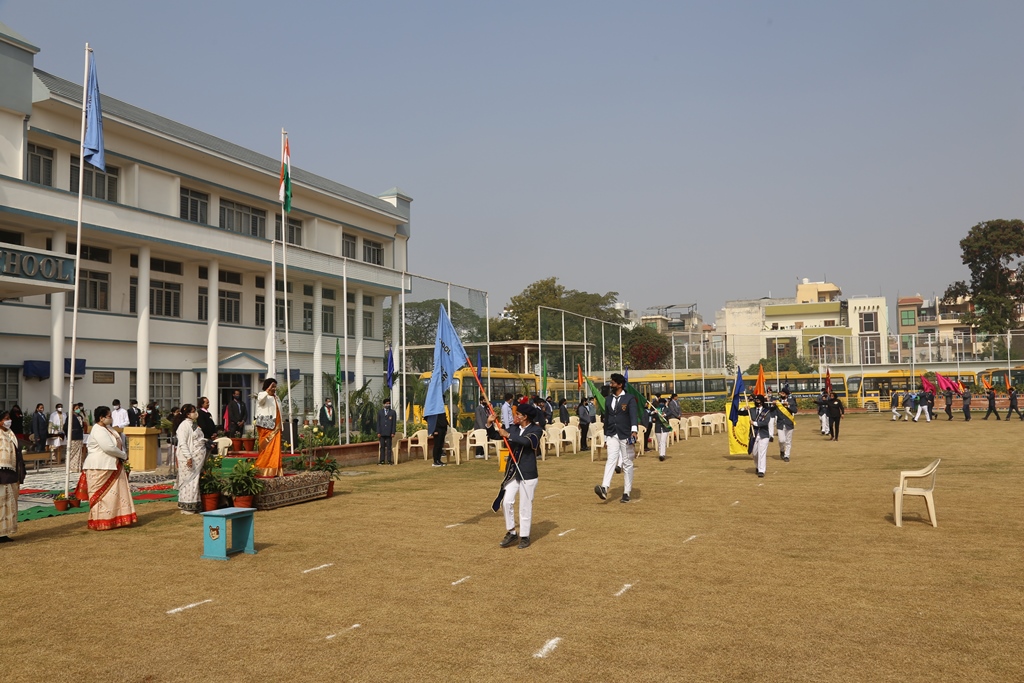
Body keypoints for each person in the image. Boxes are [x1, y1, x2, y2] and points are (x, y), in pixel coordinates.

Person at [487, 402, 542, 549]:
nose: (515, 416)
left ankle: (524, 536)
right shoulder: (513, 428)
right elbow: (495, 435)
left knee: (525, 506)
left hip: (528, 473)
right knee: (506, 502)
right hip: (513, 473)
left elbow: (527, 442)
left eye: (517, 414)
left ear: (525, 417)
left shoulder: (536, 430)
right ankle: (511, 532)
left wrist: (509, 435)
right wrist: (490, 424)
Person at [81, 405, 138, 531]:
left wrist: (122, 455)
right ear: (101, 418)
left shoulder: (108, 428)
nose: (111, 418)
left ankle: (116, 519)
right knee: (101, 497)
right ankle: (101, 521)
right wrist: (123, 455)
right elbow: (108, 447)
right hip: (99, 466)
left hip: (112, 465)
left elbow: (116, 443)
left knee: (115, 496)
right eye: (109, 416)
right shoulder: (98, 430)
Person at [595, 373, 638, 503]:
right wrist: (606, 437)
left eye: (613, 383)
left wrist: (634, 431)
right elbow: (607, 419)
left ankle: (626, 492)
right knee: (611, 460)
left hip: (626, 434)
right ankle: (604, 487)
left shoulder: (629, 398)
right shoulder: (608, 399)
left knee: (627, 463)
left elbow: (633, 415)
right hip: (612, 434)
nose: (611, 385)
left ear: (620, 385)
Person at [173, 404, 207, 514]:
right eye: (193, 411)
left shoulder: (193, 424)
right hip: (187, 458)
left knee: (194, 482)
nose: (195, 413)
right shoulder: (184, 426)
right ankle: (187, 506)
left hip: (196, 457)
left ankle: (194, 505)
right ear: (188, 414)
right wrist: (188, 457)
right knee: (188, 482)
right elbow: (182, 443)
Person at [0, 410, 27, 543]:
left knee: (9, 504)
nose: (8, 421)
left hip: (11, 473)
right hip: (1, 474)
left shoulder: (11, 434)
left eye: (9, 418)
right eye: (5, 419)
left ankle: (4, 533)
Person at [254, 378, 283, 477]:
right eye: (272, 386)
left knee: (275, 450)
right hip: (266, 427)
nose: (274, 388)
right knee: (266, 449)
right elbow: (260, 400)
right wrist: (268, 390)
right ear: (268, 386)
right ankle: (262, 468)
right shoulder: (262, 395)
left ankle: (275, 470)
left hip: (276, 427)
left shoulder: (276, 398)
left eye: (275, 386)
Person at [749, 395, 772, 477]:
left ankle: (761, 470)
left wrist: (754, 423)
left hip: (763, 435)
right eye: (756, 400)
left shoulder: (767, 411)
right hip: (754, 434)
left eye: (758, 400)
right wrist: (743, 409)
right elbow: (740, 412)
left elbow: (765, 422)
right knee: (755, 453)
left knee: (762, 453)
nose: (756, 401)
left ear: (762, 401)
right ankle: (757, 466)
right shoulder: (751, 410)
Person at [776, 387, 797, 462]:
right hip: (780, 424)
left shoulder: (791, 401)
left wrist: (788, 405)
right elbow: (770, 409)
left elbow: (795, 410)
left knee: (788, 441)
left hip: (789, 424)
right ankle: (782, 450)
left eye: (783, 393)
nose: (782, 394)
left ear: (786, 395)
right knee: (781, 440)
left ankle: (787, 455)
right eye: (781, 393)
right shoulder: (777, 402)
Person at [64, 403, 87, 473]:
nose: (78, 409)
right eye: (76, 408)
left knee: (78, 452)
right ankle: (70, 467)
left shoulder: (80, 416)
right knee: (71, 452)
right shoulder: (70, 417)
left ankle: (77, 467)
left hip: (79, 436)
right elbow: (65, 427)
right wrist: (69, 434)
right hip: (73, 436)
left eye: (78, 408)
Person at [376, 397, 397, 465]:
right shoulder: (380, 412)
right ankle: (382, 460)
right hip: (382, 432)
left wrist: (393, 432)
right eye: (386, 403)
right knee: (382, 447)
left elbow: (394, 423)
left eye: (389, 403)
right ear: (384, 404)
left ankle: (389, 460)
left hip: (389, 432)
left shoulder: (392, 412)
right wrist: (378, 432)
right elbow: (378, 423)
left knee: (389, 447)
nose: (388, 405)